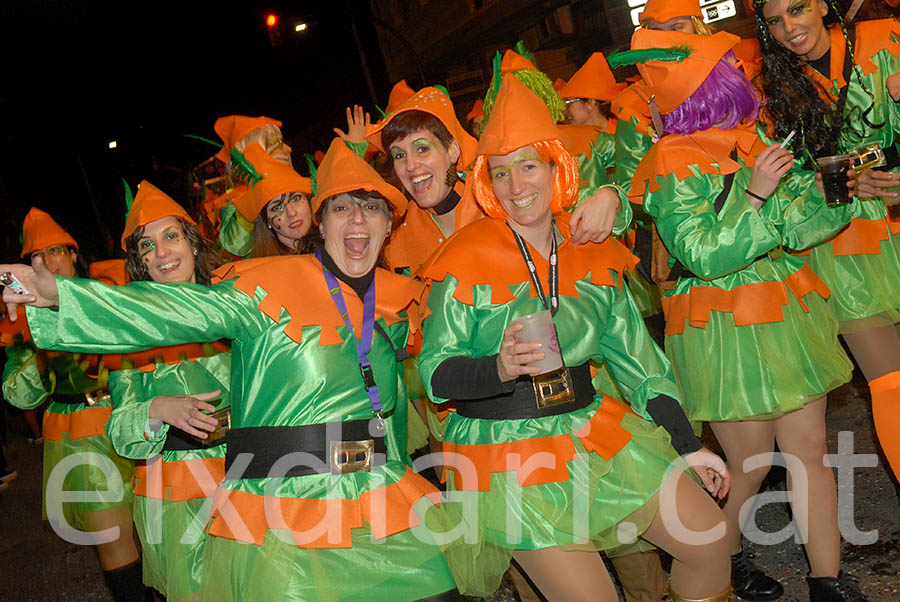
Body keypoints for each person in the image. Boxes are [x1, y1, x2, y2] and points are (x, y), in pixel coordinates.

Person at [2, 139, 462, 602]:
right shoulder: (260, 288)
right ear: (321, 224)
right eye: (341, 208)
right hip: (282, 505)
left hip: (376, 493)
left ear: (390, 224)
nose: (358, 219)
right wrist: (61, 295)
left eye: (371, 208)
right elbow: (164, 313)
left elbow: (396, 405)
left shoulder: (397, 303)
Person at [417, 74, 733, 602]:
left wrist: (687, 445)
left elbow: (642, 367)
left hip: (590, 426)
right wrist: (496, 368)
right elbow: (435, 373)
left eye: (528, 166)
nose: (517, 187)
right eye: (501, 173)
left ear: (555, 167)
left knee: (709, 542)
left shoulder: (592, 249)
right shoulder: (462, 259)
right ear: (486, 184)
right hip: (506, 452)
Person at [625, 27, 868, 601]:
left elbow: (793, 229)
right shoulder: (670, 158)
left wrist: (837, 195)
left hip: (783, 306)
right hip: (720, 324)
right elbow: (703, 255)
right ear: (712, 83)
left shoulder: (750, 137)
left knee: (809, 450)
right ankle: (720, 556)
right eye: (730, 66)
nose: (742, 70)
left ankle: (826, 581)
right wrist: (754, 196)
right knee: (751, 464)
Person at [754, 0, 900, 484]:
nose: (789, 27)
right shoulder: (773, 86)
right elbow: (786, 177)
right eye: (775, 20)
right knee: (890, 384)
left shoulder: (885, 41)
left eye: (797, 9)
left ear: (820, 4)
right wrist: (831, 181)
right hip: (843, 245)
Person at [1, 208, 142, 601]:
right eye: (36, 257)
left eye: (56, 251)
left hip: (134, 417)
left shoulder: (110, 288)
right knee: (113, 539)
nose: (47, 263)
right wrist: (38, 351)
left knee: (159, 531)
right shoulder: (22, 318)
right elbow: (18, 395)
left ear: (74, 253)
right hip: (77, 433)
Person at [105, 180, 231, 601]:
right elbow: (120, 428)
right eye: (147, 246)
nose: (161, 253)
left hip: (256, 471)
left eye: (171, 236)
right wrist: (156, 407)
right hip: (181, 496)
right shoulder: (130, 333)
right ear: (140, 263)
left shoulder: (235, 306)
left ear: (193, 244)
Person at [218, 143, 315, 258]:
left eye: (296, 198)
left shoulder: (333, 244)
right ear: (267, 221)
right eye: (276, 207)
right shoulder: (265, 270)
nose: (291, 212)